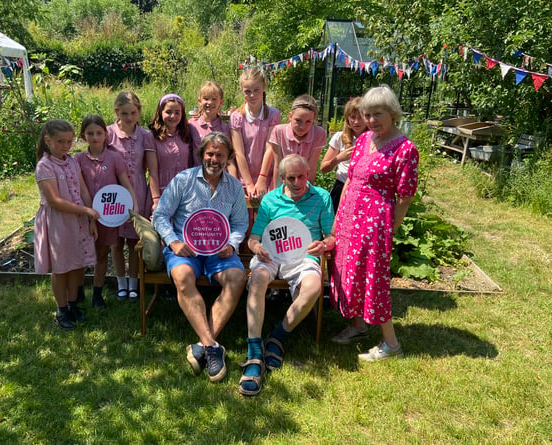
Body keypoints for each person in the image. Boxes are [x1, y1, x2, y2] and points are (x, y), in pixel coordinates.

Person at [330, 85, 419, 361]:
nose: (370, 121)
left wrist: (390, 229)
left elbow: (404, 197)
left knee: (374, 280)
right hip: (348, 216)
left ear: (393, 113)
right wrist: (337, 221)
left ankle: (391, 344)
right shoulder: (364, 139)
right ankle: (358, 326)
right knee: (351, 272)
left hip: (375, 223)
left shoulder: (406, 149)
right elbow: (350, 180)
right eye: (367, 114)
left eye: (377, 114)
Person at [152, 131, 248, 383]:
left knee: (237, 278)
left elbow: (239, 224)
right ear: (202, 154)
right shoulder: (183, 180)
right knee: (182, 276)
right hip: (186, 250)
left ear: (228, 157)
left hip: (219, 252)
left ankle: (203, 345)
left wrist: (232, 243)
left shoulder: (234, 186)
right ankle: (213, 347)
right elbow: (160, 215)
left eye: (220, 154)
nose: (214, 158)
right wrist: (173, 242)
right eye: (210, 153)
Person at [238, 154, 334, 396]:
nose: (298, 182)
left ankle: (277, 336)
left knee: (313, 288)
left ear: (308, 173)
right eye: (291, 178)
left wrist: (324, 245)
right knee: (258, 279)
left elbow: (331, 236)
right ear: (282, 178)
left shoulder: (321, 197)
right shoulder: (271, 199)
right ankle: (254, 351)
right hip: (271, 254)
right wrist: (256, 247)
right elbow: (254, 238)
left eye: (302, 176)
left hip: (303, 256)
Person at [33, 119, 99, 329]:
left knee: (78, 264)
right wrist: (85, 210)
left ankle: (73, 304)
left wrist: (91, 218)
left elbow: (83, 190)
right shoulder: (45, 166)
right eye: (61, 141)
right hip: (59, 223)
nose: (65, 146)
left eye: (69, 142)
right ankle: (61, 309)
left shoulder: (72, 161)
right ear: (47, 140)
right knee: (61, 268)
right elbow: (55, 201)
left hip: (78, 220)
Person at [76, 114, 139, 308]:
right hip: (84, 216)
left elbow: (125, 183)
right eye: (90, 133)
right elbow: (80, 188)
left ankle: (97, 292)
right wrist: (87, 212)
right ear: (83, 135)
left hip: (107, 216)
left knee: (102, 253)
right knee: (82, 254)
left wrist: (134, 206)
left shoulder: (114, 157)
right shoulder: (77, 160)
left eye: (99, 133)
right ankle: (77, 291)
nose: (95, 137)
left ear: (106, 134)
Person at [107, 91, 158, 301]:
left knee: (135, 240)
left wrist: (153, 197)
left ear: (139, 112)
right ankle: (120, 283)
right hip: (113, 192)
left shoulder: (145, 135)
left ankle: (134, 282)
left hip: (137, 189)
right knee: (116, 242)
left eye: (133, 113)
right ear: (117, 112)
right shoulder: (108, 133)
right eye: (124, 113)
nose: (129, 118)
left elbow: (150, 168)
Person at [230, 67, 281, 200]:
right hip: (244, 179)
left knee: (264, 217)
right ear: (242, 91)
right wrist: (248, 183)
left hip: (266, 178)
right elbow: (239, 152)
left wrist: (262, 179)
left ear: (263, 87)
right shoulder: (237, 117)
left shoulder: (273, 115)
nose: (252, 95)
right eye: (248, 91)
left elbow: (270, 148)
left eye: (256, 90)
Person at [263, 94, 327, 189]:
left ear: (314, 119)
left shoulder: (318, 133)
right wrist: (279, 192)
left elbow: (312, 167)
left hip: (304, 185)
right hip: (283, 183)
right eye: (298, 120)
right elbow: (278, 166)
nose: (302, 126)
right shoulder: (279, 131)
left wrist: (306, 193)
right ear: (290, 116)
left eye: (308, 122)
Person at [320, 97, 367, 214]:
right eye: (353, 117)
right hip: (341, 187)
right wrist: (338, 158)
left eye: (361, 117)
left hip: (364, 191)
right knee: (334, 228)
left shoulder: (374, 139)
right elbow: (323, 168)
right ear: (347, 118)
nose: (356, 122)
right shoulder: (339, 137)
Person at [148, 93, 193, 210]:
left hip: (184, 191)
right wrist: (156, 199)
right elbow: (152, 172)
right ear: (160, 112)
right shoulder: (152, 137)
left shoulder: (186, 134)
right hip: (163, 190)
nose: (173, 116)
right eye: (168, 112)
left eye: (177, 112)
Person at [188, 81, 230, 163]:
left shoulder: (225, 128)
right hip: (196, 172)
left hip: (218, 173)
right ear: (200, 101)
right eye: (206, 99)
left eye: (214, 99)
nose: (210, 102)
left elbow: (229, 159)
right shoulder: (191, 125)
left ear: (221, 102)